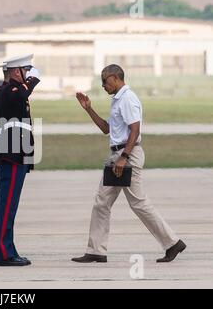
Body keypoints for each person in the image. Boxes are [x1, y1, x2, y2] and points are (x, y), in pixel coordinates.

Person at [71, 64, 186, 263]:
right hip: (118, 154)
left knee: (138, 203)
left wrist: (124, 157)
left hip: (127, 155)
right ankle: (96, 251)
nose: (103, 85)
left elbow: (135, 129)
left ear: (115, 78)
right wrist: (89, 110)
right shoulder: (117, 100)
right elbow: (107, 129)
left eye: (105, 81)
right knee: (102, 203)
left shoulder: (127, 99)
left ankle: (172, 243)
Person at [0, 54, 41, 266]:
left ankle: (8, 249)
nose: (28, 75)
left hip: (16, 153)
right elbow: (19, 95)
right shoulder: (7, 91)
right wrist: (33, 81)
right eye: (25, 71)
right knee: (7, 206)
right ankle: (3, 253)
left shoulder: (13, 91)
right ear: (14, 71)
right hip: (10, 154)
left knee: (10, 207)